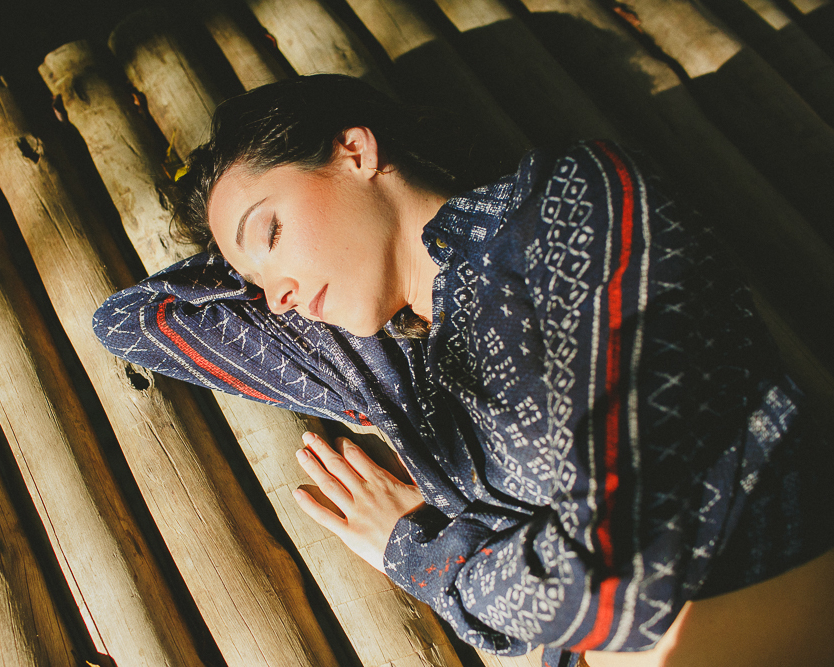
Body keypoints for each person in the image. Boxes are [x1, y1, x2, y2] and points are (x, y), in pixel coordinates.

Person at [93, 74, 834, 666]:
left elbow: (622, 572)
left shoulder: (569, 203)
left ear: (354, 151)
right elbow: (137, 322)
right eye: (261, 291)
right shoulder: (394, 366)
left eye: (273, 229)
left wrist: (428, 560)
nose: (278, 300)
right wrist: (253, 260)